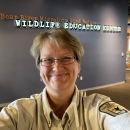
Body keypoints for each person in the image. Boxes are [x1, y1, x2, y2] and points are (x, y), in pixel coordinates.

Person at [0, 27, 130, 130]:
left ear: (78, 66)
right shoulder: (17, 113)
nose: (57, 67)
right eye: (48, 60)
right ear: (40, 68)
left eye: (66, 58)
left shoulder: (99, 107)